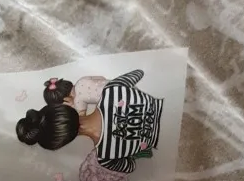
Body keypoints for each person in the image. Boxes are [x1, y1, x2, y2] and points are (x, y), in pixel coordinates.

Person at [18, 69, 163, 175]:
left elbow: (131, 166)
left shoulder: (106, 157)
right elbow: (139, 73)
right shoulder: (110, 91)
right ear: (65, 107)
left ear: (63, 141)